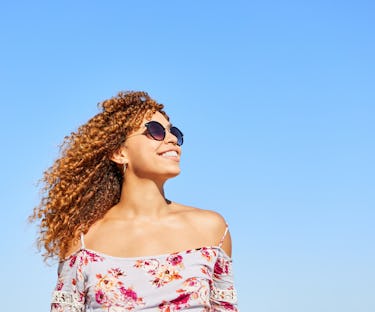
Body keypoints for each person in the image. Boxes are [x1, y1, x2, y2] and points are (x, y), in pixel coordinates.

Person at [30, 91, 239, 311]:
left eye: (173, 132)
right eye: (155, 131)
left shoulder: (211, 229)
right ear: (119, 153)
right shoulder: (83, 239)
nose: (172, 139)